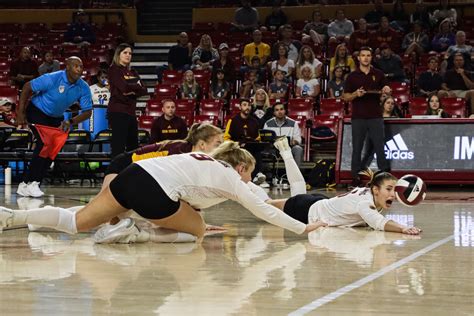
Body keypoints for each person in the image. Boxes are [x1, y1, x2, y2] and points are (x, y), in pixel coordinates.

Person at [0, 141, 321, 244]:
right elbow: (263, 211)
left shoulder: (204, 160)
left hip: (132, 176)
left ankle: (14, 217)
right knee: (198, 232)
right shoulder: (235, 181)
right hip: (153, 192)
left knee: (78, 222)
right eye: (250, 173)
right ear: (241, 168)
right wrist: (303, 228)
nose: (251, 179)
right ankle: (134, 231)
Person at [267, 137, 422, 235]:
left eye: (394, 190)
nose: (393, 194)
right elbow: (378, 223)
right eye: (389, 189)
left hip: (320, 202)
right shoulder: (365, 203)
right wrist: (403, 228)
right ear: (375, 190)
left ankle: (286, 153)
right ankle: (245, 191)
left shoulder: (369, 192)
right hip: (306, 209)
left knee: (296, 192)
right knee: (266, 207)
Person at [16, 57, 93, 197]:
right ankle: (32, 182)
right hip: (37, 111)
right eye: (75, 66)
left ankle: (28, 183)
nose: (79, 69)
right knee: (44, 143)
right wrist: (20, 112)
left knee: (53, 147)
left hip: (56, 117)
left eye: (81, 66)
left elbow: (88, 111)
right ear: (67, 67)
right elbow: (27, 86)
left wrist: (71, 121)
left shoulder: (83, 86)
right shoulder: (53, 78)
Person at [101, 122, 223, 194]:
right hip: (123, 165)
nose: (221, 148)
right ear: (202, 144)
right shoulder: (178, 152)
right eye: (218, 144)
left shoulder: (196, 160)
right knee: (104, 212)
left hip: (138, 173)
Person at [343, 46, 392, 188]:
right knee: (357, 148)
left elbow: (387, 89)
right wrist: (355, 94)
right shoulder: (352, 76)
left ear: (371, 57)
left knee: (379, 146)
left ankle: (384, 174)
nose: (365, 58)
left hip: (375, 116)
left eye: (368, 55)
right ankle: (355, 177)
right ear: (358, 58)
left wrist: (387, 90)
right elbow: (345, 97)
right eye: (363, 55)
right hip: (358, 117)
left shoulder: (379, 73)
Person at [108, 43, 147, 158]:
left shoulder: (133, 71)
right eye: (125, 52)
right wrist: (135, 87)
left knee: (133, 147)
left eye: (130, 53)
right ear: (118, 54)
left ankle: (129, 174)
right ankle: (114, 174)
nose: (128, 55)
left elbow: (144, 90)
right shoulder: (114, 70)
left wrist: (131, 89)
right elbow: (124, 88)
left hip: (131, 112)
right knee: (118, 147)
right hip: (118, 111)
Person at [224, 98, 266, 186]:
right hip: (237, 147)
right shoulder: (232, 120)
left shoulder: (254, 121)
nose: (247, 107)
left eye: (249, 105)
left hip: (251, 147)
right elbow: (226, 138)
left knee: (257, 150)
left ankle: (257, 175)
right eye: (245, 105)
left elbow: (257, 138)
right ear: (240, 107)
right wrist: (236, 145)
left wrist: (254, 143)